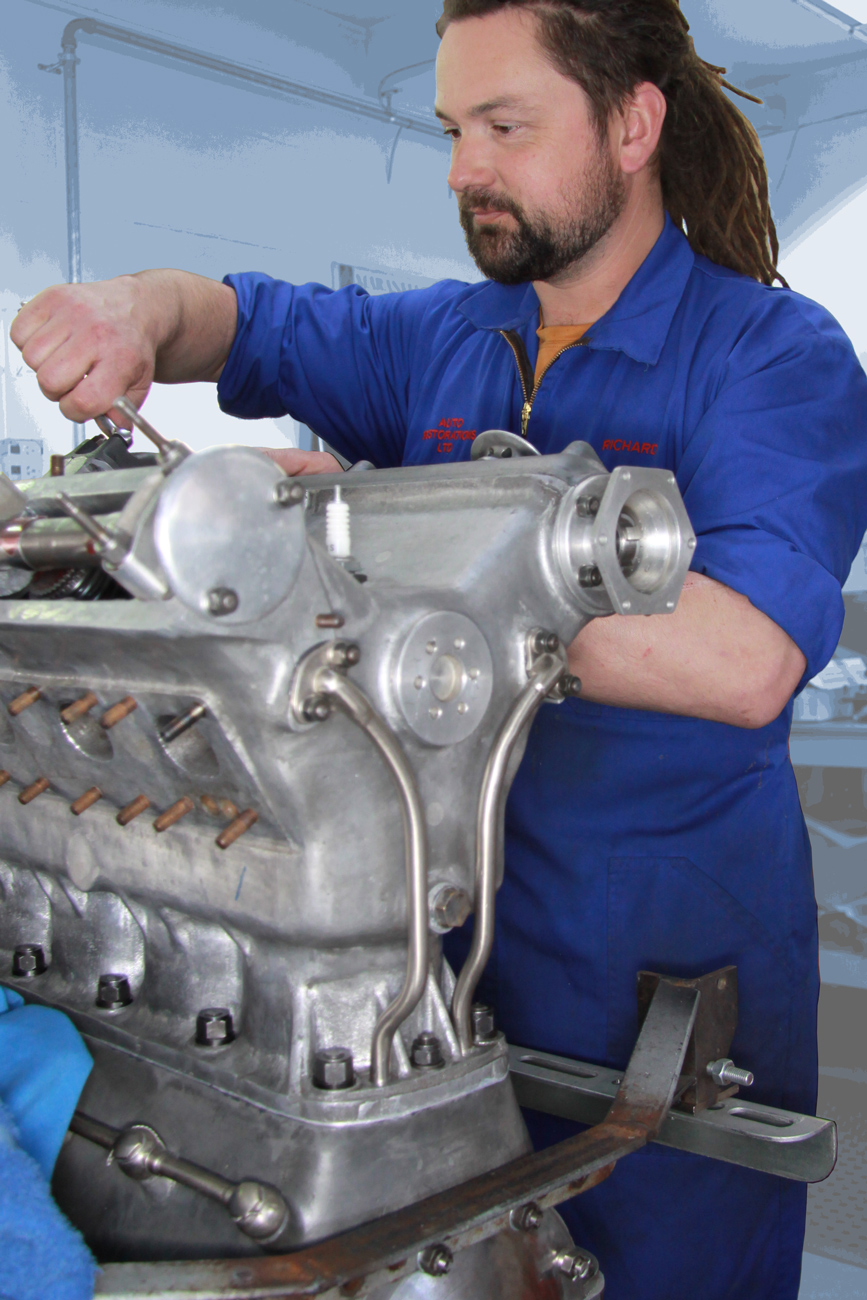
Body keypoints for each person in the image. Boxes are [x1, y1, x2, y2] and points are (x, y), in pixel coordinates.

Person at [10, 2, 867, 1296]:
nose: (467, 166)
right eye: (455, 129)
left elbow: (737, 659)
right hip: (425, 958)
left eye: (508, 126)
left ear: (633, 124)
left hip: (660, 978)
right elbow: (231, 317)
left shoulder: (769, 356)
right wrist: (128, 306)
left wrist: (342, 557)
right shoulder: (444, 338)